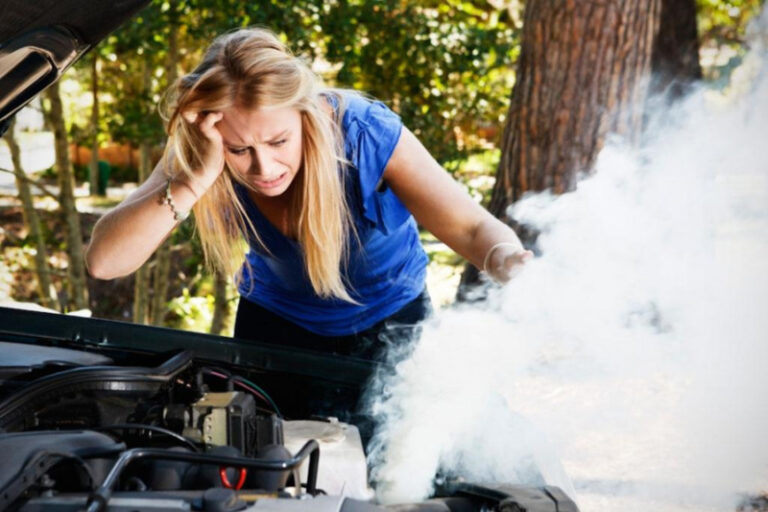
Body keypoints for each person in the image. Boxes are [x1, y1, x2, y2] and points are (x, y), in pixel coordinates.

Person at [86, 27, 532, 425]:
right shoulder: (204, 146)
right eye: (240, 149)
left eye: (279, 141)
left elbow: (472, 229)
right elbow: (105, 261)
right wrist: (195, 179)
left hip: (392, 325)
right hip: (276, 327)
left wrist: (504, 258)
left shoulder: (365, 133)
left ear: (306, 115)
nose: (264, 167)